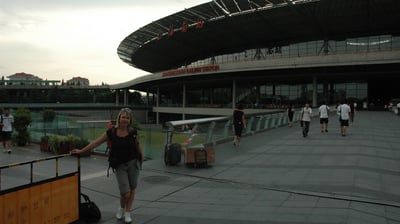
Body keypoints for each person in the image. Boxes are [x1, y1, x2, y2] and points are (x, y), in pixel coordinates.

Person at [71, 108, 144, 223]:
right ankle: (121, 208)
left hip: (133, 163)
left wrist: (141, 158)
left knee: (132, 188)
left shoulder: (133, 132)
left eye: (127, 118)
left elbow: (137, 145)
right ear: (119, 118)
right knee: (125, 193)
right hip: (119, 165)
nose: (125, 119)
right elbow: (95, 143)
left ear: (130, 120)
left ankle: (127, 212)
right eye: (123, 117)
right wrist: (81, 151)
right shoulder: (111, 132)